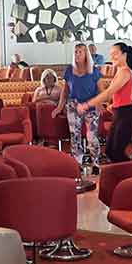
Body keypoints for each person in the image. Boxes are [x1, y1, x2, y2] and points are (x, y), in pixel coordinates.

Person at [79, 42, 132, 165]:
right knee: (110, 151)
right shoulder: (120, 71)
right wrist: (114, 104)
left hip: (126, 115)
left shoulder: (125, 72)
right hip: (119, 113)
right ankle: (124, 174)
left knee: (116, 152)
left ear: (124, 55)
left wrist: (88, 104)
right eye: (111, 54)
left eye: (115, 54)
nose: (112, 57)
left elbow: (109, 92)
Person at [53, 43, 102, 174]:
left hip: (91, 105)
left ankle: (96, 162)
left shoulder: (94, 70)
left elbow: (101, 90)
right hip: (73, 105)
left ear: (86, 54)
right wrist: (59, 107)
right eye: (75, 52)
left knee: (91, 136)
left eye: (80, 52)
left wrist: (99, 104)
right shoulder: (69, 70)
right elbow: (65, 91)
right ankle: (77, 163)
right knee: (75, 135)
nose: (77, 54)